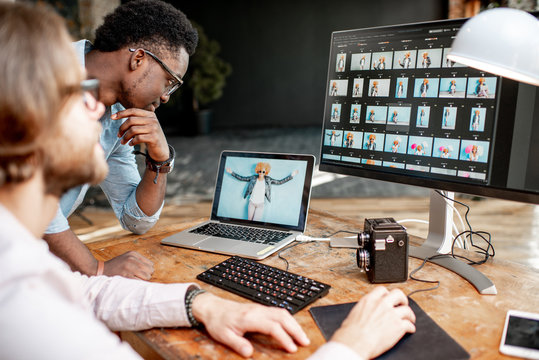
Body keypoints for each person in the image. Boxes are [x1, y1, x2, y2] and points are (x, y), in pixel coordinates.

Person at [0, 3, 416, 359]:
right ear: (22, 127)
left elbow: (84, 290)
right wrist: (348, 347)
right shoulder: (22, 307)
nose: (96, 103)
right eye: (78, 92)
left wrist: (200, 304)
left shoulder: (20, 257)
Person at [42, 0, 199, 280]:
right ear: (138, 58)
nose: (166, 96)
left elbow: (135, 219)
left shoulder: (117, 115)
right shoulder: (40, 74)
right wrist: (95, 268)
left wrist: (159, 160)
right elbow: (31, 199)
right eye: (170, 81)